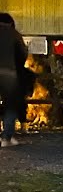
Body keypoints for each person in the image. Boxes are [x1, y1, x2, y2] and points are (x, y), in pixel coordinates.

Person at [0, 13, 29, 147]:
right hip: (9, 73)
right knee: (10, 104)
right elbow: (22, 54)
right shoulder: (15, 35)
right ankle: (6, 137)